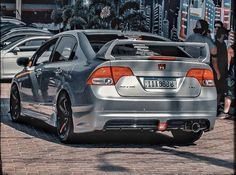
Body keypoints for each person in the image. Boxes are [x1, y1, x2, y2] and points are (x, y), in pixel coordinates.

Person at [218, 44, 235, 119]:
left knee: (229, 91)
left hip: (233, 73)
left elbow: (230, 51)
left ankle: (225, 112)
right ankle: (225, 112)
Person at [214, 27, 229, 106]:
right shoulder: (215, 45)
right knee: (216, 91)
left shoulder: (223, 44)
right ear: (222, 34)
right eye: (226, 34)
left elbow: (225, 60)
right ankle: (215, 107)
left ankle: (216, 106)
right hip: (217, 73)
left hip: (223, 72)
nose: (227, 35)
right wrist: (217, 72)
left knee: (220, 91)